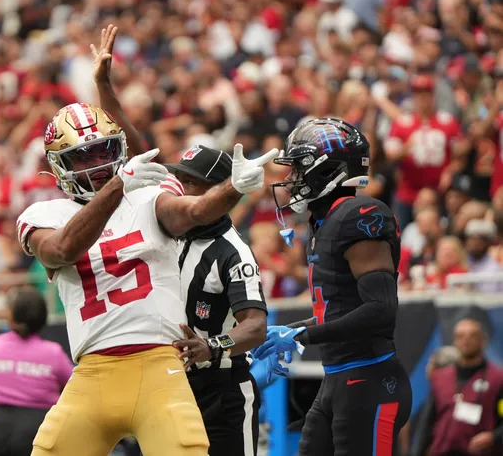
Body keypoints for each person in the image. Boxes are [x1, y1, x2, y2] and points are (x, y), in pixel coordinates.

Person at [16, 29, 278, 455]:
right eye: (83, 157)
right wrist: (118, 183)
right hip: (92, 373)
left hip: (161, 367)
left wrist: (234, 188)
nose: (97, 165)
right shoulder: (44, 215)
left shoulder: (147, 198)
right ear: (58, 166)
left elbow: (193, 210)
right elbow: (62, 249)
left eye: (104, 152)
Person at [253, 118, 412, 455]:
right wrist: (291, 329)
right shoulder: (325, 221)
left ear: (327, 171)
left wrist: (301, 337)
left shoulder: (359, 213)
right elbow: (341, 309)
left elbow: (380, 310)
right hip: (338, 380)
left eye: (299, 168)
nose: (291, 179)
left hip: (370, 381)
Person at [163, 145, 267, 456]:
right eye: (178, 179)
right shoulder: (171, 232)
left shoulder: (233, 252)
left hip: (222, 393)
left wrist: (212, 346)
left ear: (220, 193)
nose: (180, 188)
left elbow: (256, 325)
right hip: (173, 388)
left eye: (190, 182)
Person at [0, 288, 73, 456]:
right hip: (38, 428)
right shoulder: (52, 352)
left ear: (11, 319)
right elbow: (73, 387)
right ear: (43, 319)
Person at [410, 318, 503, 456]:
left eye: (472, 335)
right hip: (443, 451)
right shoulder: (440, 378)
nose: (466, 340)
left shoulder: (497, 379)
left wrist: (493, 437)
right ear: (455, 341)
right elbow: (427, 423)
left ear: (482, 341)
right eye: (460, 336)